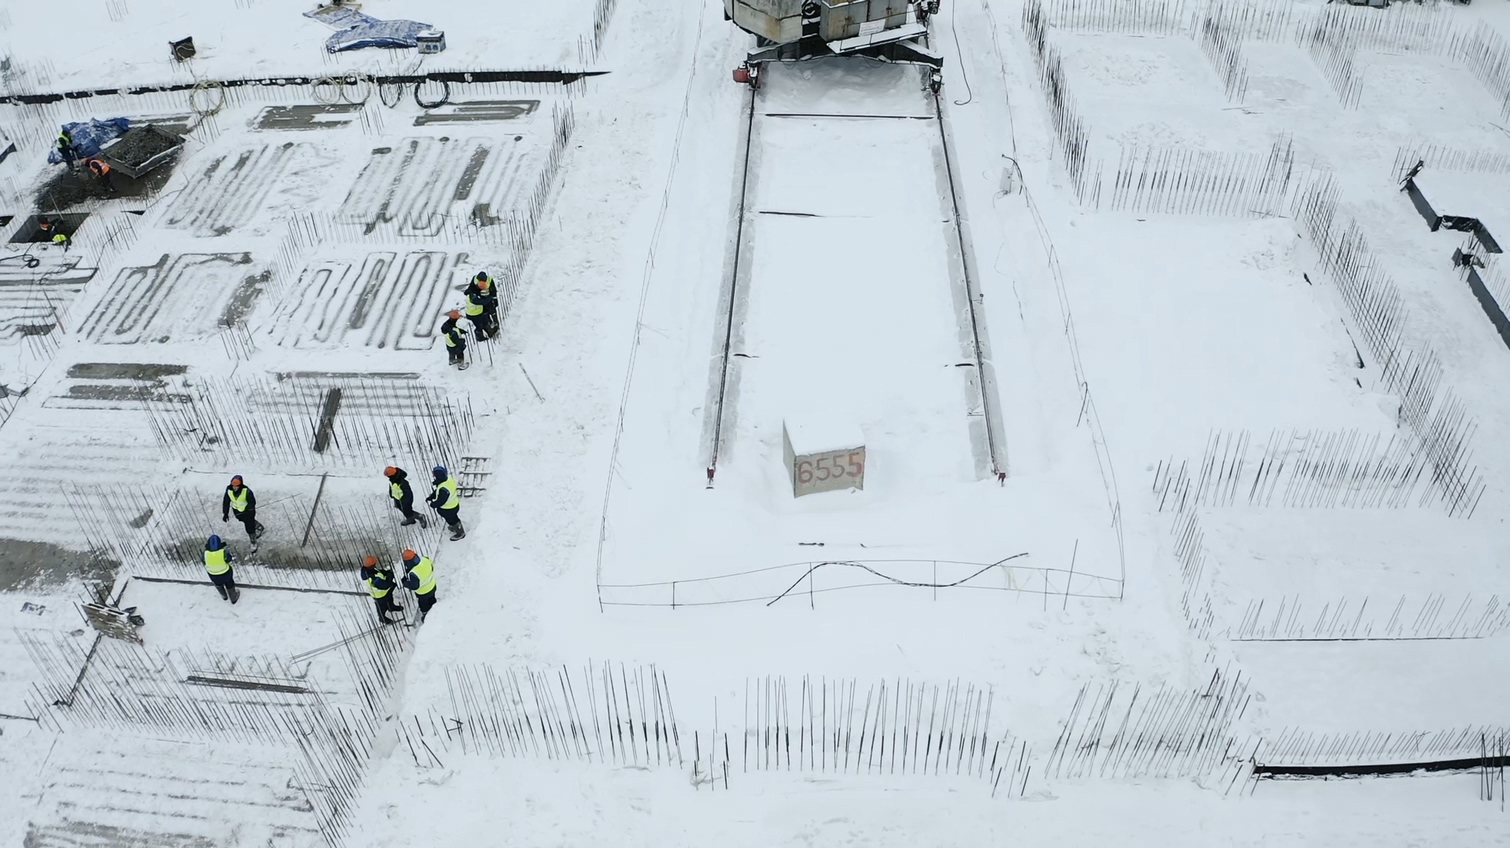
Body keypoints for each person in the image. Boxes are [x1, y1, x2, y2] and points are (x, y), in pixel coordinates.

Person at [221, 475, 265, 548]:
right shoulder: (229, 490)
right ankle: (258, 526)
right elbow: (226, 501)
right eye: (233, 486)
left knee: (249, 527)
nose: (234, 488)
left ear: (240, 485)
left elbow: (252, 502)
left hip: (248, 512)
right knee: (243, 520)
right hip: (237, 511)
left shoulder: (247, 491)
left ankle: (253, 541)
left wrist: (249, 510)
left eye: (236, 486)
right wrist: (225, 513)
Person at [360, 555, 403, 624]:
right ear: (371, 565)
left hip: (384, 592)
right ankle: (382, 618)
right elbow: (384, 585)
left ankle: (391, 607)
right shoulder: (372, 578)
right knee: (381, 607)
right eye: (374, 564)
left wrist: (386, 572)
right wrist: (390, 578)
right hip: (379, 595)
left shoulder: (369, 570)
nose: (375, 565)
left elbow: (379, 572)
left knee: (389, 598)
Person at [427, 464, 465, 541]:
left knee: (453, 520)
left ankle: (460, 532)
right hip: (453, 505)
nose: (433, 476)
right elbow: (438, 490)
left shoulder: (443, 489)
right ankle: (455, 526)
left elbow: (441, 500)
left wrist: (433, 504)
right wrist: (432, 496)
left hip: (449, 508)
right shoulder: (447, 480)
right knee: (452, 519)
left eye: (434, 475)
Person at [399, 548, 437, 622]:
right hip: (432, 586)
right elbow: (431, 567)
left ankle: (426, 615)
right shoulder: (425, 559)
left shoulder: (414, 573)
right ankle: (434, 608)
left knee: (424, 605)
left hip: (423, 593)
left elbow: (414, 586)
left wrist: (405, 582)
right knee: (432, 599)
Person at [204, 534, 240, 604]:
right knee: (229, 583)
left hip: (212, 574)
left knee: (218, 584)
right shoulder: (223, 552)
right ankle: (233, 597)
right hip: (225, 573)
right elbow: (229, 559)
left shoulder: (205, 553)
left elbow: (203, 561)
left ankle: (224, 595)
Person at [463, 273, 499, 341]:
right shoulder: (473, 297)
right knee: (480, 325)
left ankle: (491, 329)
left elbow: (493, 290)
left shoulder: (489, 280)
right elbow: (482, 302)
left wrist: (494, 299)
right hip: (475, 312)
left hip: (480, 307)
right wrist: (489, 298)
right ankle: (480, 337)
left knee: (487, 317)